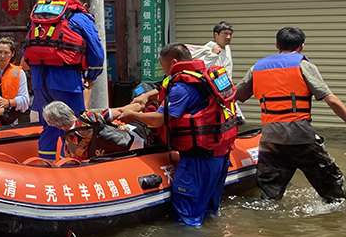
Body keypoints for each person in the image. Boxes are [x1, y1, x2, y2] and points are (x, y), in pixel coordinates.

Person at [120, 43, 238, 225]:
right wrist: (147, 96)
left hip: (198, 160)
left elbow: (160, 119)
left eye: (163, 66)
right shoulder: (203, 76)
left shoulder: (181, 86)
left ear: (174, 62)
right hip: (220, 155)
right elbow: (167, 88)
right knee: (209, 213)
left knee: (187, 218)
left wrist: (134, 115)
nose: (163, 70)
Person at [234, 26, 346, 202]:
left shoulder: (257, 67)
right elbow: (331, 100)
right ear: (301, 46)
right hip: (300, 137)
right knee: (335, 192)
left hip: (270, 139)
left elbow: (235, 96)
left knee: (269, 198)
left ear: (277, 45)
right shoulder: (303, 65)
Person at [22, 0, 106, 161]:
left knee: (49, 126)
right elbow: (97, 53)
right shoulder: (81, 17)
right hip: (67, 81)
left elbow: (27, 48)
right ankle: (68, 169)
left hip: (40, 81)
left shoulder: (40, 18)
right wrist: (92, 76)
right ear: (84, 5)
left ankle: (44, 165)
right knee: (73, 128)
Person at [0, 37, 31, 124]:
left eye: (6, 53)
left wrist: (8, 102)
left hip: (8, 117)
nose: (2, 56)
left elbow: (25, 99)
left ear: (12, 53)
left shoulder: (19, 72)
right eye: (0, 52)